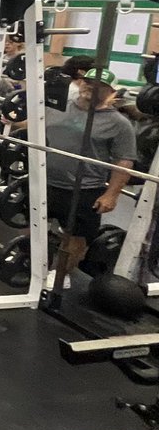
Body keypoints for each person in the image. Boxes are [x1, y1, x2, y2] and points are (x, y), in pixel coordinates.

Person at [42, 68, 137, 294]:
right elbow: (32, 126)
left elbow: (124, 162)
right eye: (88, 82)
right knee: (32, 224)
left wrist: (111, 194)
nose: (90, 87)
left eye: (99, 86)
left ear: (111, 92)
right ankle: (32, 261)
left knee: (76, 236)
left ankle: (61, 274)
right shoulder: (57, 105)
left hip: (85, 188)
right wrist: (10, 120)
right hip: (44, 179)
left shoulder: (119, 124)